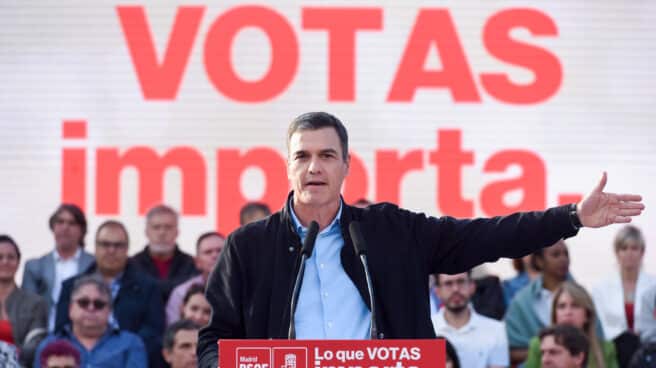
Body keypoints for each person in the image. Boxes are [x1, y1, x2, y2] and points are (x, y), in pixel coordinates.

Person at [197, 111, 644, 367]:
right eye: (303, 156)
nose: (315, 167)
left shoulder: (389, 232)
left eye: (327, 155)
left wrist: (570, 217)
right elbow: (213, 342)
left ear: (346, 166)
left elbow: (487, 237)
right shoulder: (248, 246)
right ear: (287, 166)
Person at [54, 220, 165, 367]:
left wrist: (118, 351)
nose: (111, 250)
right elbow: (61, 331)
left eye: (118, 245)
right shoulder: (70, 286)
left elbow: (153, 333)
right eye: (105, 244)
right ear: (95, 248)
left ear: (127, 249)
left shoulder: (149, 287)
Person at [34, 276, 147, 367]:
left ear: (109, 311)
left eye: (99, 304)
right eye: (83, 302)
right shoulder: (49, 345)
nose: (91, 308)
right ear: (70, 308)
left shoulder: (130, 344)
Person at [22, 204, 94, 331]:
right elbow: (28, 309)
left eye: (72, 223)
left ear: (82, 230)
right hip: (44, 335)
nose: (65, 227)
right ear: (53, 227)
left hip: (86, 334)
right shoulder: (35, 266)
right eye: (60, 222)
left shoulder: (94, 264)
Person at [505, 240, 574, 364]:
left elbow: (597, 341)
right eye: (556, 254)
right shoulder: (522, 302)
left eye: (566, 254)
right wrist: (547, 352)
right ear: (539, 261)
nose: (563, 259)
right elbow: (510, 351)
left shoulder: (580, 297)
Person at [524, 282, 618, 368]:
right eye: (562, 306)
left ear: (587, 315)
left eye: (575, 306)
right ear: (554, 313)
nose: (568, 312)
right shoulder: (538, 345)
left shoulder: (606, 349)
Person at [591, 225, 656, 341]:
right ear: (617, 252)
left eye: (634, 248)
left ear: (642, 252)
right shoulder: (600, 288)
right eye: (624, 248)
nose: (629, 253)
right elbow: (599, 326)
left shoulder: (653, 285)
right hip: (612, 350)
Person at [431, 271, 508, 368]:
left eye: (461, 281)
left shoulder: (496, 329)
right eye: (448, 283)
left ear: (472, 286)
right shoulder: (426, 330)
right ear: (437, 291)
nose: (455, 289)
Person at [130, 205, 199, 302]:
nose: (162, 232)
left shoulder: (192, 265)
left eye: (168, 227)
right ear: (146, 232)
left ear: (177, 232)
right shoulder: (131, 265)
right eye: (156, 227)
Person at [0, 235, 48, 367]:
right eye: (0, 257)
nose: (5, 262)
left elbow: (36, 341)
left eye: (11, 257)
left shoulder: (35, 303)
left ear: (18, 262)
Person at [166, 232, 225, 325]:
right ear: (197, 262)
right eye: (208, 252)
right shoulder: (181, 293)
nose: (215, 255)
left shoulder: (247, 289)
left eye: (220, 251)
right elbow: (174, 332)